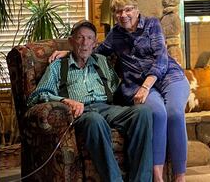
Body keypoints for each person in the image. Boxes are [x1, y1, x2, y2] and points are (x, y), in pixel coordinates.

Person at [51, 0, 190, 182]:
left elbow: (161, 58)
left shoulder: (152, 25)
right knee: (156, 113)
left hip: (168, 77)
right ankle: (157, 177)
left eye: (128, 9)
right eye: (118, 11)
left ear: (137, 10)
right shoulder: (115, 35)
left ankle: (179, 177)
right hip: (137, 84)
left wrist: (146, 86)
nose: (123, 15)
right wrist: (69, 52)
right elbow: (92, 50)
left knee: (174, 112)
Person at [30, 20, 153, 182]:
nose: (85, 43)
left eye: (89, 38)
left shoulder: (102, 61)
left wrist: (144, 89)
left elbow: (118, 88)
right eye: (80, 37)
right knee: (95, 120)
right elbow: (38, 95)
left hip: (107, 108)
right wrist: (66, 101)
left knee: (143, 112)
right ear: (71, 41)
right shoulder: (58, 66)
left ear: (95, 43)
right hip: (82, 113)